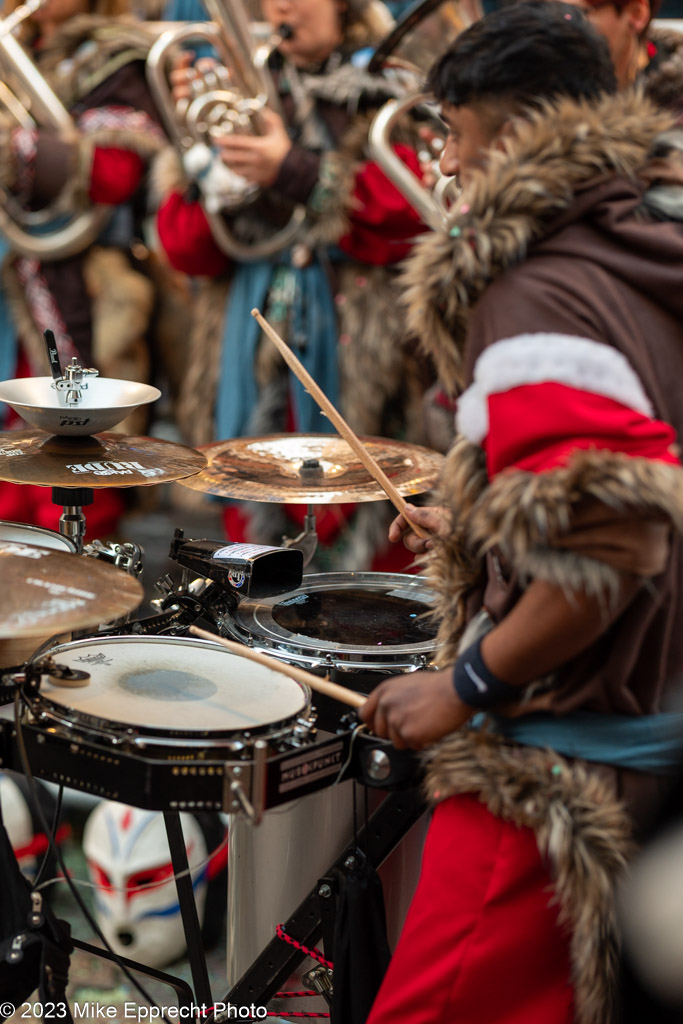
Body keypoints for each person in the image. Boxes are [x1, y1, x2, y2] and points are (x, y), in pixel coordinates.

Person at [358, 3, 683, 1022]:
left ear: (505, 136)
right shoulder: (641, 241)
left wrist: (461, 685)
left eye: (448, 134)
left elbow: (617, 538)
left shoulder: (533, 292)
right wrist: (487, 525)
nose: (441, 162)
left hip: (556, 772)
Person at [154, 0, 433, 571]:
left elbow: (410, 215)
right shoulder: (241, 88)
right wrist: (210, 173)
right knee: (251, 501)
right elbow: (187, 248)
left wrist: (295, 171)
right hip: (250, 334)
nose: (280, 5)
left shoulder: (387, 89)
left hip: (362, 335)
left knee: (371, 504)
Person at [0, 0, 167, 537]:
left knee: (69, 472)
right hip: (9, 287)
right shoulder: (20, 46)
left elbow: (113, 173)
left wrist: (11, 150)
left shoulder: (115, 57)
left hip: (78, 289)